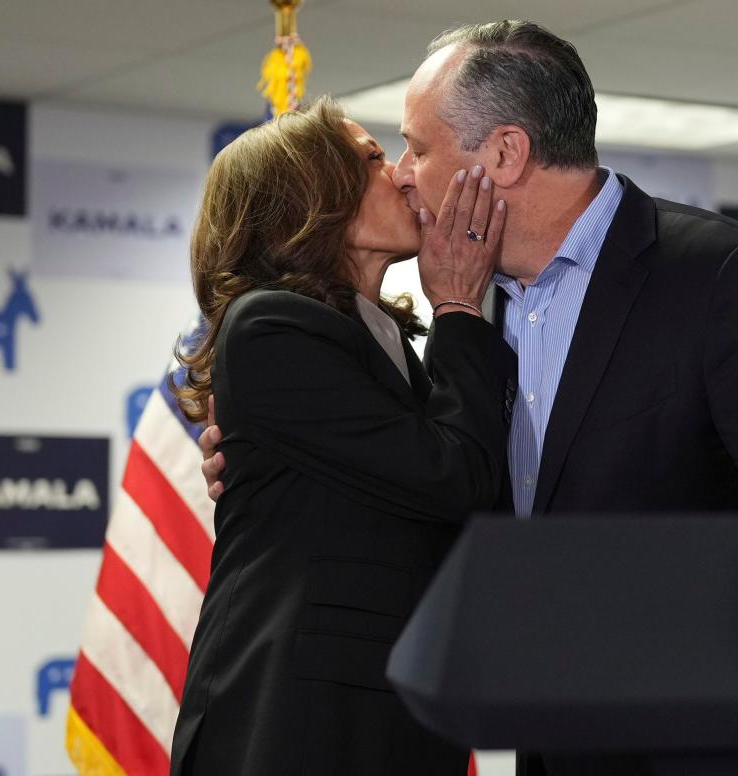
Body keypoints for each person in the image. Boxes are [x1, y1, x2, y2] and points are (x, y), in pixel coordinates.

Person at [199, 21, 738, 776]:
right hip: (540, 739)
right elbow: (446, 485)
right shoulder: (471, 313)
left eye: (416, 147)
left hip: (696, 740)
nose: (406, 173)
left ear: (504, 154)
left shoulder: (718, 275)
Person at [168, 97, 516, 776]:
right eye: (374, 159)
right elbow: (451, 478)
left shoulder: (380, 335)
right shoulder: (269, 326)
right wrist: (458, 307)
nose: (405, 176)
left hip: (382, 711)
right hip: (296, 722)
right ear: (312, 196)